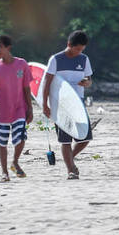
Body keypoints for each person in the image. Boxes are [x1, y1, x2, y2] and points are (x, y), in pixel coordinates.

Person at [42, 30, 93, 180]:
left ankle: (69, 158)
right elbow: (47, 82)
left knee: (85, 138)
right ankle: (71, 170)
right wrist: (45, 104)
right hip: (60, 104)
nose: (79, 52)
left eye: (82, 50)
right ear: (69, 45)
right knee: (65, 140)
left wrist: (87, 83)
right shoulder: (56, 59)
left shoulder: (84, 59)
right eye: (77, 49)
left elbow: (89, 80)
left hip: (78, 103)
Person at [0, 35, 33, 182]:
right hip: (2, 110)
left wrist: (30, 108)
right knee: (2, 142)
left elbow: (26, 88)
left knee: (21, 137)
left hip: (19, 108)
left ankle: (15, 161)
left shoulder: (21, 64)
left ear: (8, 47)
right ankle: (5, 172)